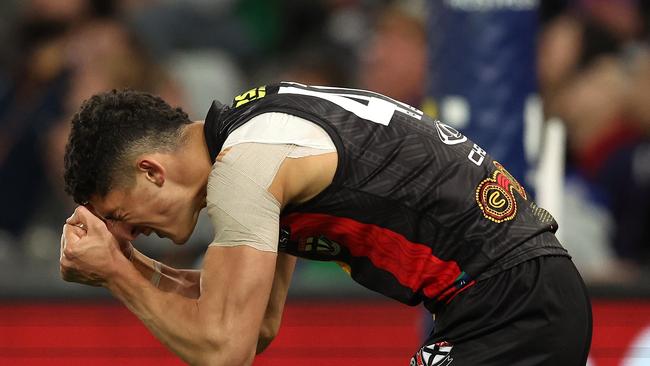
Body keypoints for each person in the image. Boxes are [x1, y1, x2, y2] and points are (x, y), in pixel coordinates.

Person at [60, 82, 592, 365]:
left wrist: (117, 274)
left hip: (511, 306)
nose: (124, 233)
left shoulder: (245, 171)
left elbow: (225, 350)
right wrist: (127, 263)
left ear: (150, 171)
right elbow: (256, 322)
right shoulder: (254, 135)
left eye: (117, 216)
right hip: (521, 295)